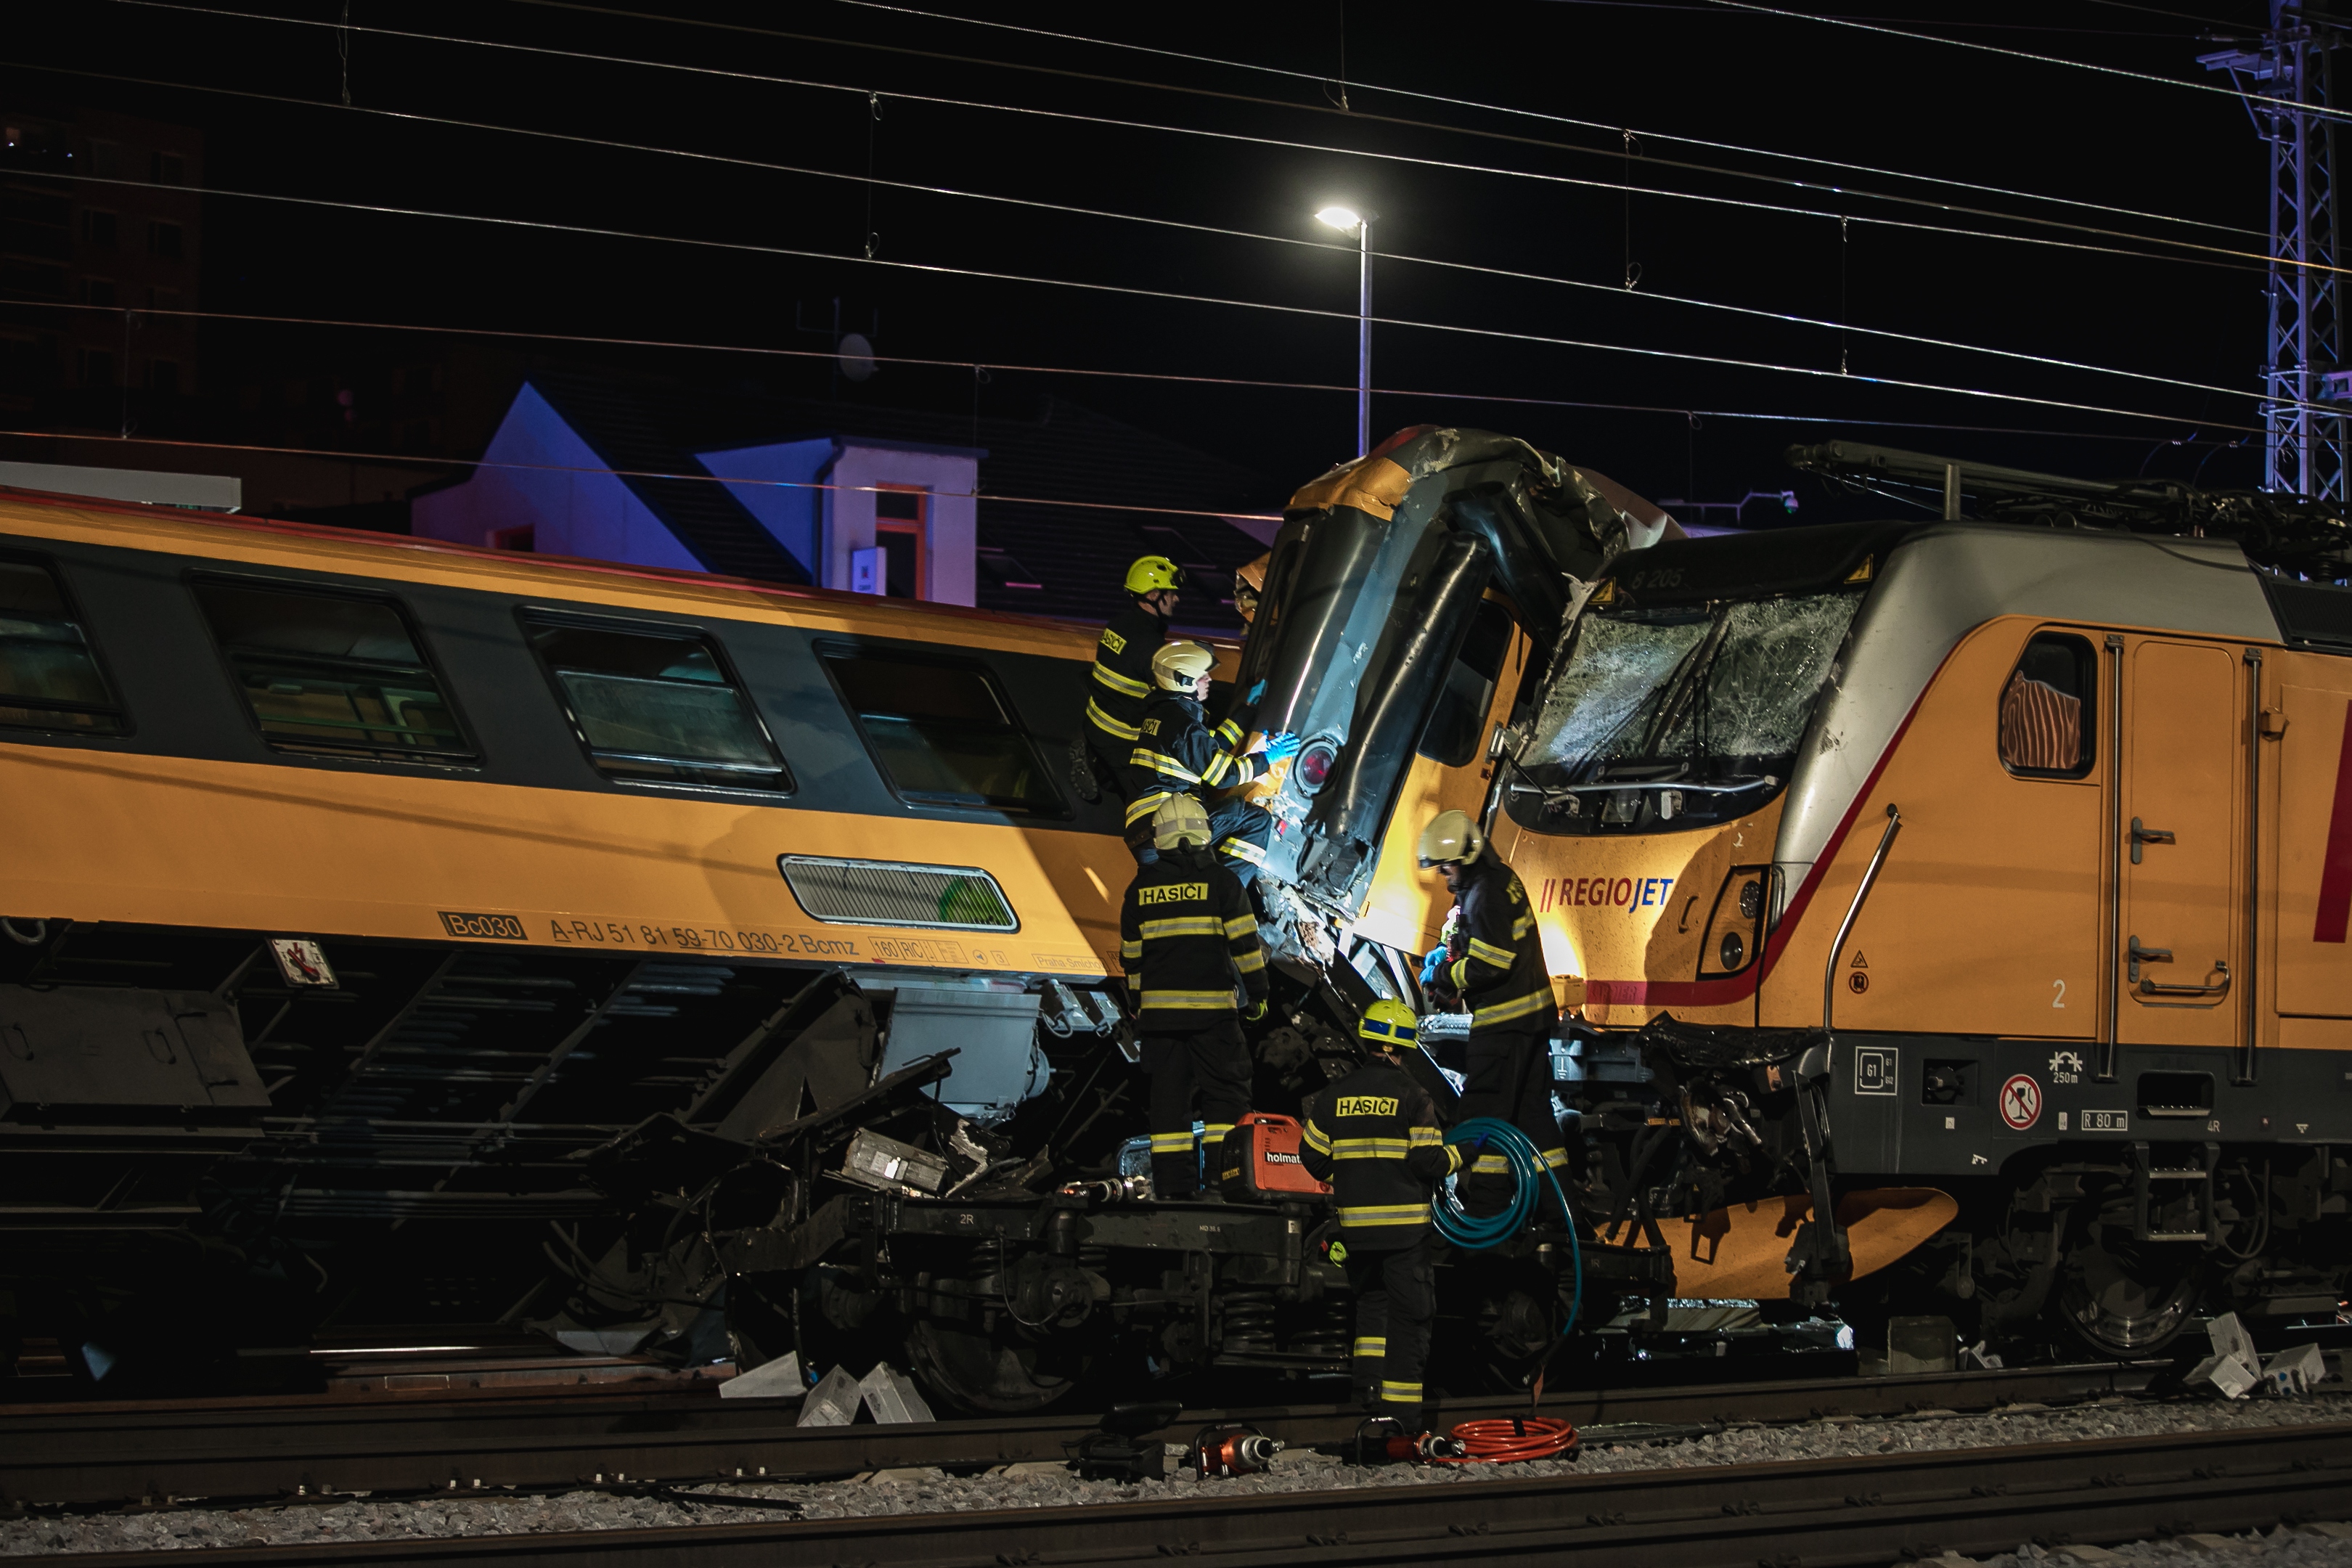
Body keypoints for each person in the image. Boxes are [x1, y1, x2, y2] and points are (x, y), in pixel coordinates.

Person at [1298, 997, 1459, 1435]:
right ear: (1403, 1046)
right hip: (1404, 1234)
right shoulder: (1414, 1096)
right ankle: (1402, 1424)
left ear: (1368, 1040)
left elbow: (1310, 1157)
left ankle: (1366, 1404)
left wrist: (1352, 1174)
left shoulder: (1335, 1096)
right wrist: (1463, 1155)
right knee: (1410, 1320)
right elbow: (1428, 1163)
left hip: (1356, 1234)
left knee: (1372, 1314)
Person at [1119, 794, 1270, 1200]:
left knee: (1168, 1108)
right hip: (1214, 1019)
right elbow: (1246, 947)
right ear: (1204, 834)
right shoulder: (1223, 883)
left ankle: (1174, 1191)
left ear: (1160, 838)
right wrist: (1258, 994)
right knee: (1226, 1098)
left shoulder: (1140, 890)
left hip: (1160, 1023)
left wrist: (1138, 1004)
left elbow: (1131, 959)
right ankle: (1226, 1184)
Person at [1416, 809, 1565, 1216]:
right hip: (1530, 1023)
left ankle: (1486, 1209)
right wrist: (1447, 951)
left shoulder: (1485, 894)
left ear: (1467, 858)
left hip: (1503, 1027)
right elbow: (1478, 938)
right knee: (1532, 1116)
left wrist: (1445, 975)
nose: (1444, 876)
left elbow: (1492, 962)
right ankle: (1559, 1208)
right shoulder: (1497, 880)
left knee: (1482, 1114)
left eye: (1447, 868)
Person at [1124, 642, 1297, 883]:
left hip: (1152, 831)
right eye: (1202, 675)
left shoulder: (1165, 716)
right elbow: (1224, 774)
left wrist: (1247, 710)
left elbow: (1211, 748)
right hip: (1168, 827)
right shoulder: (1181, 725)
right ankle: (1227, 897)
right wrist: (1267, 758)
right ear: (1184, 681)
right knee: (1254, 820)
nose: (1209, 680)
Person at [1083, 555, 1186, 797]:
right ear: (1153, 596)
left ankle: (1093, 764)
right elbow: (1171, 697)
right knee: (1149, 798)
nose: (1176, 598)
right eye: (1170, 593)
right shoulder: (1149, 646)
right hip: (1123, 740)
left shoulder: (1118, 624)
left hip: (1096, 722)